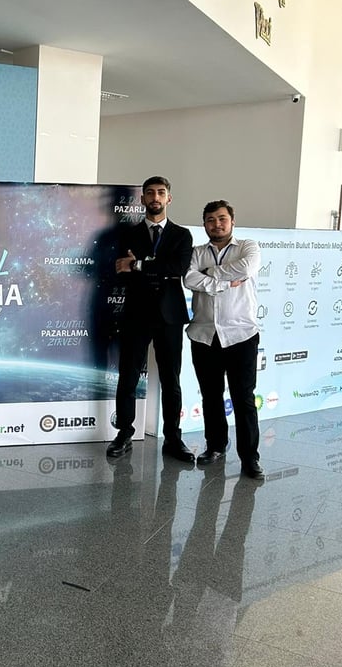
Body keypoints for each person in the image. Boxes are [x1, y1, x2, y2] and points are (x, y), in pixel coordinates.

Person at [107, 176, 194, 462]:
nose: (155, 197)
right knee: (128, 376)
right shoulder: (128, 234)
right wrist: (151, 267)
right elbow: (121, 270)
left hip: (170, 316)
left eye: (161, 192)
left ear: (169, 198)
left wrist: (139, 264)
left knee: (171, 379)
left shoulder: (182, 235)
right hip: (136, 313)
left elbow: (178, 268)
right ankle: (124, 433)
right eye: (150, 193)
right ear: (142, 199)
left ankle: (173, 438)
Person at [184, 200, 264, 480]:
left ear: (232, 221)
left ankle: (250, 458)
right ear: (204, 224)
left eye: (222, 219)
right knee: (211, 396)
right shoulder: (196, 252)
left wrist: (210, 273)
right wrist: (224, 282)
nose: (216, 224)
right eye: (210, 220)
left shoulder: (248, 247)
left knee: (244, 398)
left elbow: (246, 268)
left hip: (241, 334)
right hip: (204, 335)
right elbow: (188, 279)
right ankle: (216, 446)